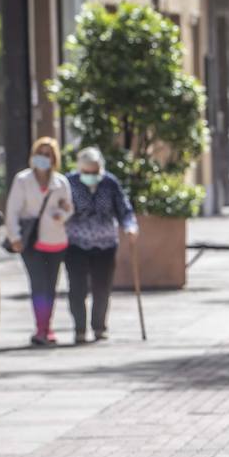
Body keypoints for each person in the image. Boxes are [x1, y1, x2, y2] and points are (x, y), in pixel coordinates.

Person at [5, 137, 74, 346]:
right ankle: (40, 328)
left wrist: (61, 214)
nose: (43, 158)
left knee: (50, 286)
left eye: (48, 154)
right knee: (38, 285)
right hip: (31, 242)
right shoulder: (22, 180)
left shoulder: (61, 182)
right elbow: (12, 210)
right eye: (40, 153)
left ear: (54, 158)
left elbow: (69, 209)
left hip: (55, 240)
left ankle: (47, 327)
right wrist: (14, 237)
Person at [65, 147, 138, 343]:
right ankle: (79, 328)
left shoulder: (110, 183)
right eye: (86, 172)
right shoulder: (69, 182)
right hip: (76, 243)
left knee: (102, 287)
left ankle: (99, 327)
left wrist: (130, 227)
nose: (90, 176)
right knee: (77, 288)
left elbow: (124, 209)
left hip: (105, 243)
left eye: (94, 172)